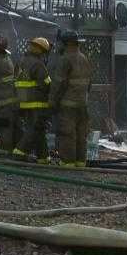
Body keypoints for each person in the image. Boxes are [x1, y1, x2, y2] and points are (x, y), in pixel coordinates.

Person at [48, 30, 93, 166]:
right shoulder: (84, 58)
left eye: (60, 43)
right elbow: (89, 83)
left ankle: (67, 162)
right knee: (81, 134)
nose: (58, 45)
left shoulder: (65, 59)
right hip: (82, 105)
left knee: (67, 134)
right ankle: (80, 162)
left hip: (68, 106)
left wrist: (52, 102)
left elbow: (58, 84)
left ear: (66, 44)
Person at [13, 36, 52, 163]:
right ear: (40, 50)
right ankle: (19, 151)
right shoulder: (38, 64)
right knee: (34, 128)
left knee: (39, 129)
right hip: (37, 102)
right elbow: (46, 83)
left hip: (24, 102)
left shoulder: (21, 62)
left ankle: (43, 157)